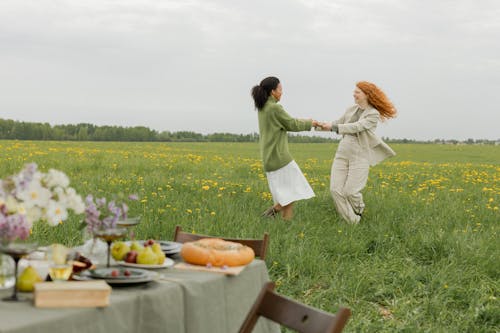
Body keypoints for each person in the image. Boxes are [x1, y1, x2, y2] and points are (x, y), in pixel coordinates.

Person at [318, 81, 397, 224]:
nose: (354, 94)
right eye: (354, 91)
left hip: (360, 155)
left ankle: (359, 210)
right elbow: (338, 122)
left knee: (350, 191)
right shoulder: (351, 109)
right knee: (335, 190)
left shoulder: (373, 114)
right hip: (342, 152)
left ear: (367, 95)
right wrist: (321, 126)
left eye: (357, 92)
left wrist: (334, 127)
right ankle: (353, 221)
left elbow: (357, 127)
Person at [251, 76, 318, 220]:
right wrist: (311, 123)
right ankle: (270, 213)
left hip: (270, 157)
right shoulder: (274, 108)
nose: (282, 92)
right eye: (280, 89)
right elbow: (291, 124)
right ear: (272, 91)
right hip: (279, 157)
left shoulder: (263, 107)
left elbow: (287, 122)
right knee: (294, 191)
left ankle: (287, 224)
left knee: (289, 192)